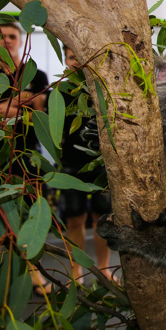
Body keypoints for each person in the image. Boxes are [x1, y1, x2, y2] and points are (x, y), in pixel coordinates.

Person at [0, 21, 50, 294]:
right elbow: (25, 106)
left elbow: (41, 110)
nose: (7, 40)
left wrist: (7, 107)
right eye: (2, 36)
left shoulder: (36, 75)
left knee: (31, 213)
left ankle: (33, 273)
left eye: (12, 36)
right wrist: (19, 103)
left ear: (21, 40)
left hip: (28, 153)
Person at [57, 46, 111, 281]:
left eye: (80, 57)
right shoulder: (59, 91)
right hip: (70, 165)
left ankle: (104, 270)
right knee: (74, 219)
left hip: (102, 165)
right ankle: (75, 273)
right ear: (66, 61)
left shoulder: (103, 91)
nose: (77, 62)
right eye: (71, 57)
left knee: (104, 219)